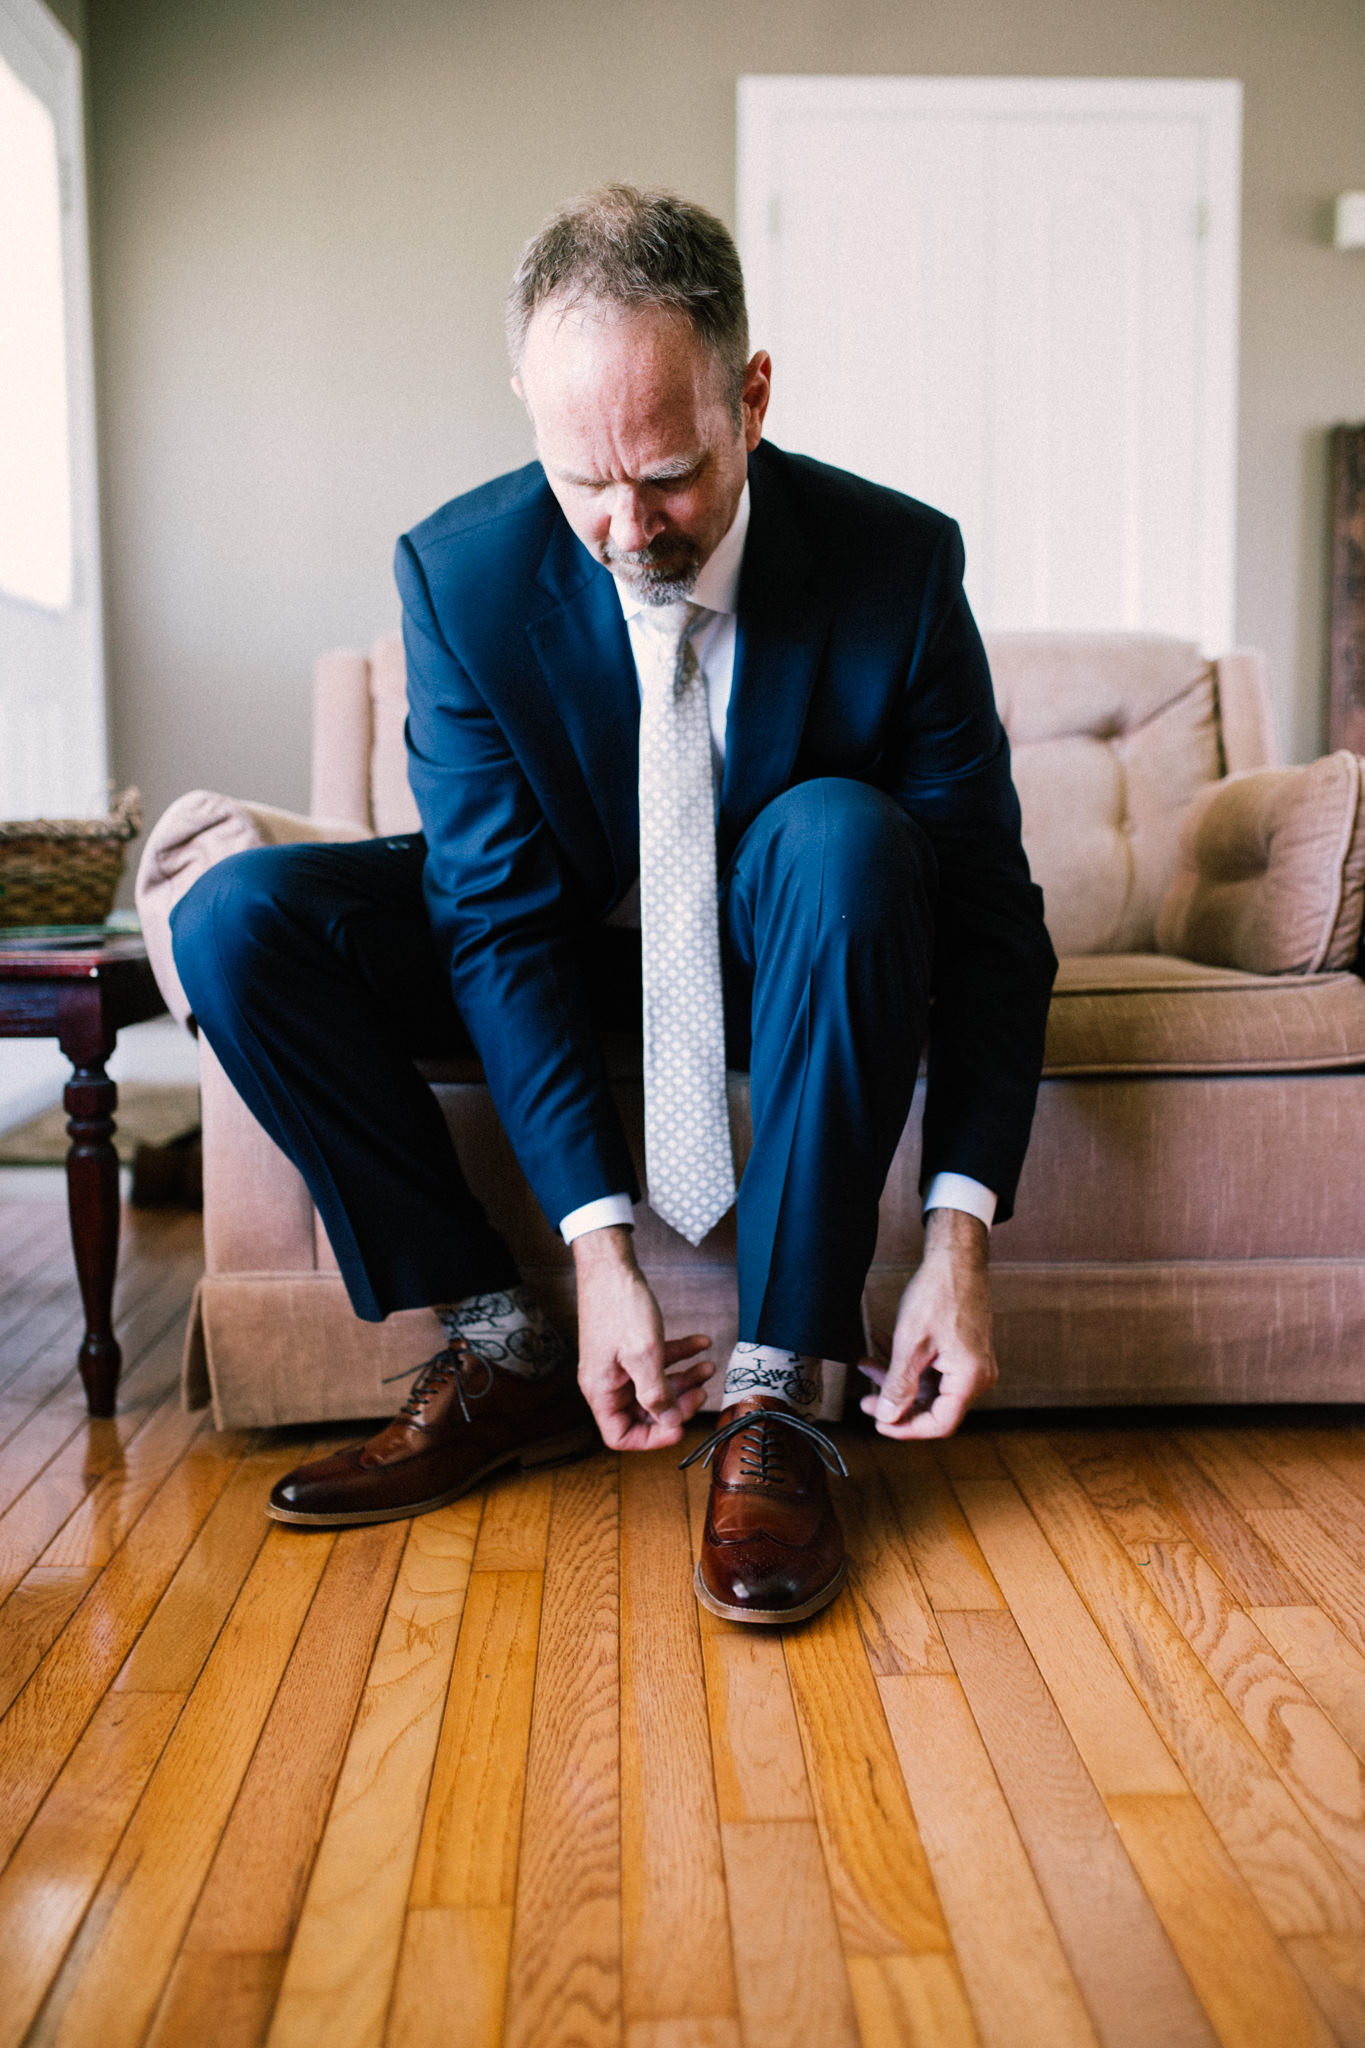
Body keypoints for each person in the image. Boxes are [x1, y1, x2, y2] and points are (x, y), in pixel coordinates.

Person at [171, 185, 1056, 1625]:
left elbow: (991, 923)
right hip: (569, 940)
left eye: (669, 478)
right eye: (582, 479)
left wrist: (960, 1241)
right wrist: (598, 1252)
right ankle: (503, 1351)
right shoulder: (459, 574)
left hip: (789, 950)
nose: (624, 527)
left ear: (750, 399)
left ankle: (776, 1392)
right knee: (233, 921)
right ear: (526, 407)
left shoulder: (897, 566)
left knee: (845, 835)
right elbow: (495, 918)